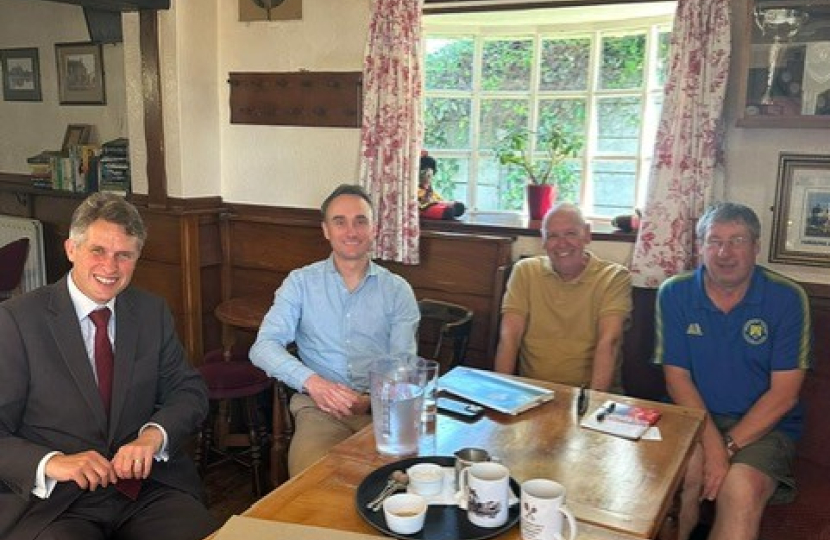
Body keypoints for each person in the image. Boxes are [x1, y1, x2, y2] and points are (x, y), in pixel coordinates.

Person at [0, 193, 216, 540]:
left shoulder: (151, 313)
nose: (110, 267)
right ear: (71, 249)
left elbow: (188, 391)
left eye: (124, 255)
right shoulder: (17, 321)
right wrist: (53, 462)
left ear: (137, 258)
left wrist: (152, 437)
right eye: (98, 251)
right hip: (56, 503)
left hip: (146, 489)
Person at [654, 202, 811, 540]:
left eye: (737, 240)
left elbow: (784, 395)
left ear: (756, 247)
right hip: (691, 416)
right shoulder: (674, 293)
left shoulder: (787, 298)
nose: (724, 252)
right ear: (701, 248)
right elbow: (676, 379)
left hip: (765, 427)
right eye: (714, 241)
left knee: (739, 488)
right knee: (686, 471)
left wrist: (723, 450)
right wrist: (712, 447)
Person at [250, 183, 419, 476]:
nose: (351, 231)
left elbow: (403, 363)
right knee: (312, 485)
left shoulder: (397, 290)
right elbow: (263, 347)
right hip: (319, 411)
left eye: (360, 221)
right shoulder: (300, 283)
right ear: (326, 230)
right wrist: (316, 384)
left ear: (374, 229)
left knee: (395, 485)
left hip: (383, 412)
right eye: (339, 222)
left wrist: (371, 401)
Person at [493, 202, 631, 391]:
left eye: (570, 233)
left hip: (589, 395)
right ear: (543, 241)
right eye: (552, 236)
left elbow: (609, 342)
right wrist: (500, 393)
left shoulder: (614, 277)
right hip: (533, 393)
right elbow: (509, 336)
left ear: (587, 234)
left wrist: (591, 403)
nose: (562, 243)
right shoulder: (525, 272)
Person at [418, 152, 465, 220]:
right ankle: (448, 211)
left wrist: (447, 203)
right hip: (424, 208)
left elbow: (437, 199)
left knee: (458, 206)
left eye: (430, 176)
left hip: (432, 203)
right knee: (447, 211)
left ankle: (452, 209)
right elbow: (421, 202)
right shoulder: (415, 187)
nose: (429, 178)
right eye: (427, 175)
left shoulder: (429, 188)